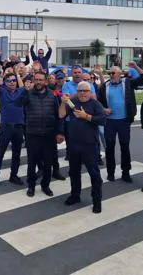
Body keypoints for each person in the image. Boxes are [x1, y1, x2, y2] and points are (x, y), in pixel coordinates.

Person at [59, 82, 106, 213]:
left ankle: (97, 201)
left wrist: (86, 117)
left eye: (86, 91)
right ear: (77, 91)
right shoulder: (72, 102)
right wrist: (63, 102)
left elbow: (103, 119)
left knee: (94, 174)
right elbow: (61, 115)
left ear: (90, 92)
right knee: (74, 172)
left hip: (90, 145)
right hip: (73, 144)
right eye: (80, 91)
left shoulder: (95, 104)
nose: (83, 93)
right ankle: (75, 195)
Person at [15, 70, 64, 198]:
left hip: (49, 134)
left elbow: (58, 115)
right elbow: (18, 103)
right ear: (33, 80)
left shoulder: (53, 96)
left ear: (45, 81)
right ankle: (31, 185)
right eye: (36, 79)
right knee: (32, 162)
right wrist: (25, 91)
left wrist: (59, 132)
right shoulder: (28, 94)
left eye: (41, 80)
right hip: (32, 133)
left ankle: (45, 185)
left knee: (48, 163)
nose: (38, 82)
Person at [97, 65, 143, 182]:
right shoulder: (105, 86)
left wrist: (135, 66)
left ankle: (126, 172)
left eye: (114, 73)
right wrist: (104, 109)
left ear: (120, 74)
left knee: (125, 147)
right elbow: (98, 102)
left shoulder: (128, 83)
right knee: (109, 148)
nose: (111, 75)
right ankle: (110, 172)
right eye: (110, 73)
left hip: (124, 121)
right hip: (109, 122)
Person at [0, 61, 26, 187]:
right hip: (6, 127)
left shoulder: (20, 92)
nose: (12, 82)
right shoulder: (2, 91)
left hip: (19, 127)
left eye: (14, 80)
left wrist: (16, 72)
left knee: (17, 153)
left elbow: (21, 83)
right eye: (9, 81)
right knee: (0, 153)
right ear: (5, 83)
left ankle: (13, 175)